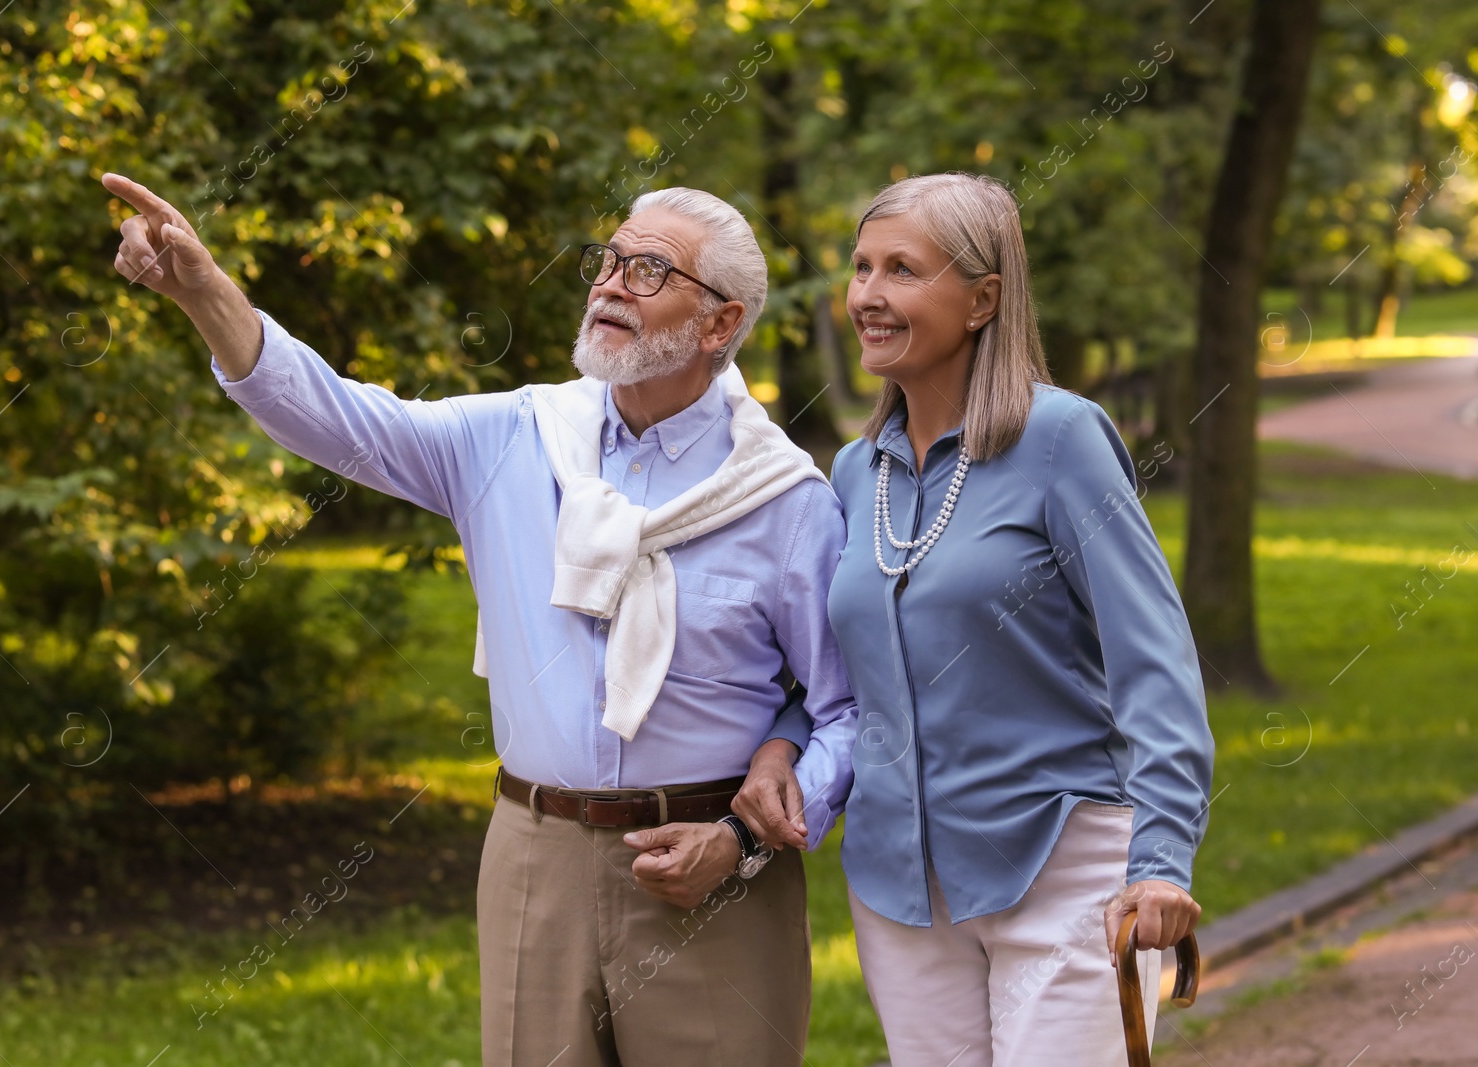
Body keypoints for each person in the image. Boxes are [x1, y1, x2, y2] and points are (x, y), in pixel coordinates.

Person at [100, 173, 856, 1066]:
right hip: (535, 859)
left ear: (721, 324)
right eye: (607, 260)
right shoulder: (514, 438)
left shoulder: (786, 501)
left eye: (650, 272)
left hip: (714, 874)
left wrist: (738, 840)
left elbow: (846, 709)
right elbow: (336, 414)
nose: (610, 283)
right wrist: (203, 290)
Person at [824, 172, 1215, 1065]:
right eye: (860, 267)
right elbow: (830, 682)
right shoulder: (856, 473)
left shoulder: (1062, 439)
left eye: (902, 270)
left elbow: (1154, 661)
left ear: (983, 298)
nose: (869, 296)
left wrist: (1160, 857)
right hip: (899, 888)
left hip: (1064, 869)